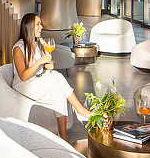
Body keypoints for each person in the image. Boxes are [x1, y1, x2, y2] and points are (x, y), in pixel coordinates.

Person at [11, 13, 92, 142]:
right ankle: (81, 110)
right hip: (23, 87)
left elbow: (48, 68)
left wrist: (47, 61)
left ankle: (63, 135)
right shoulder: (18, 48)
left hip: (36, 83)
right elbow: (23, 76)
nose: (41, 27)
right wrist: (40, 61)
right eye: (38, 24)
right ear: (29, 27)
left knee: (58, 92)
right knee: (57, 77)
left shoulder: (36, 44)